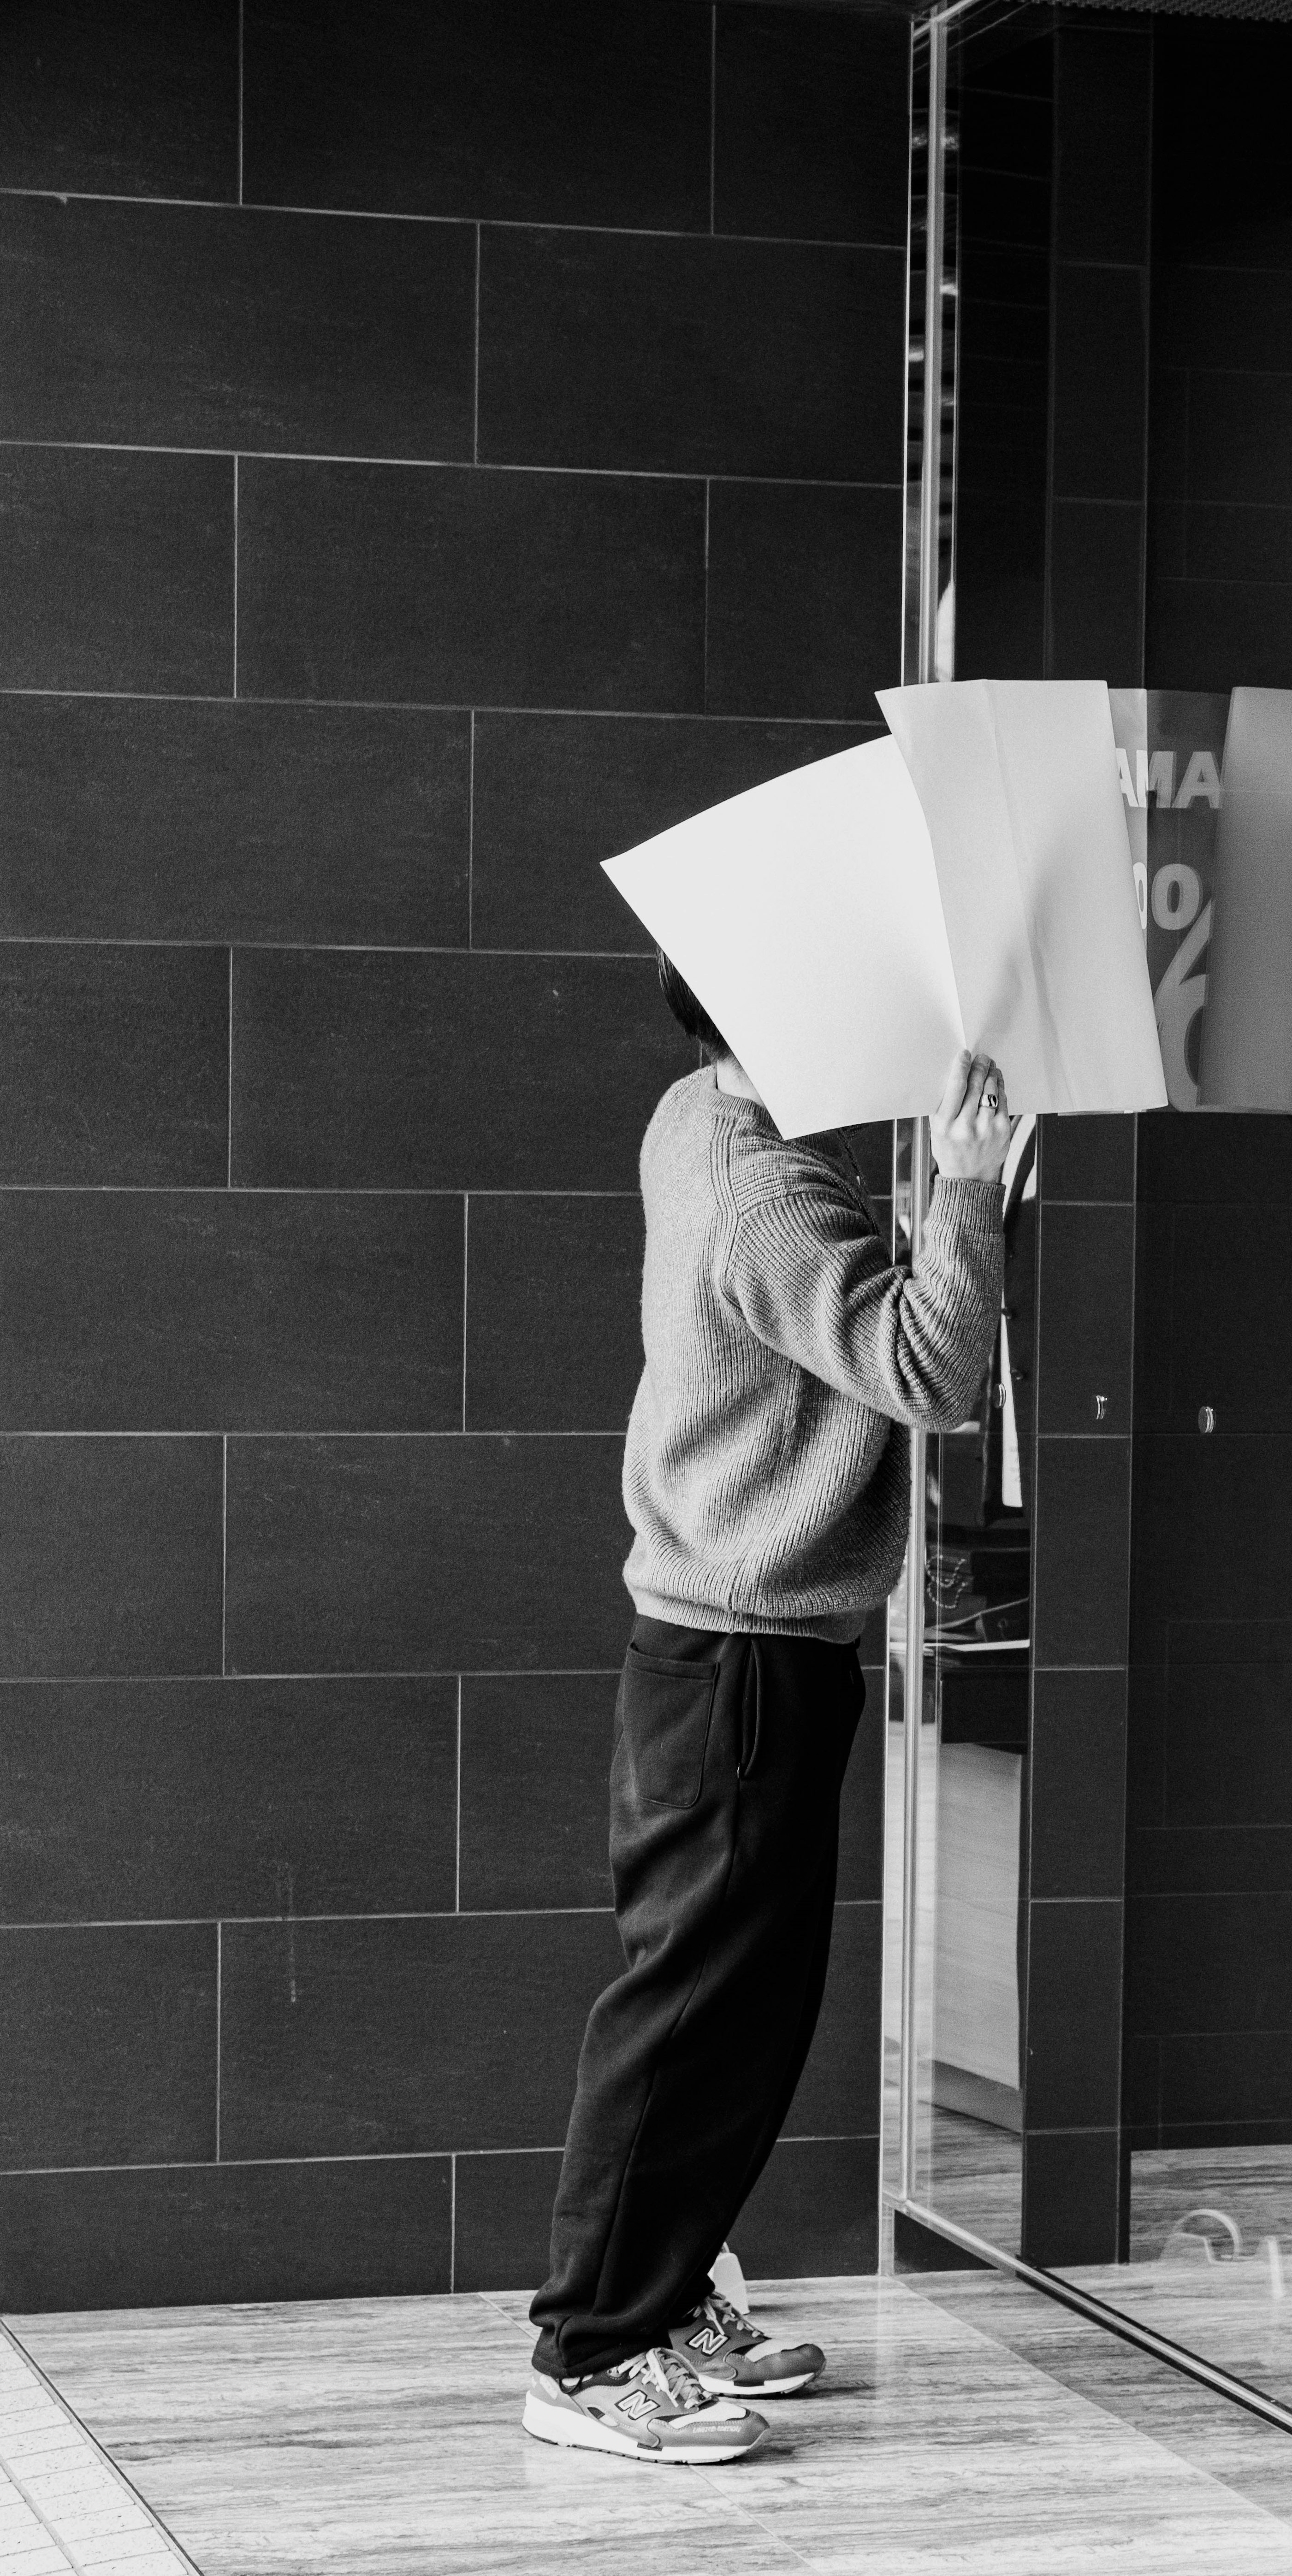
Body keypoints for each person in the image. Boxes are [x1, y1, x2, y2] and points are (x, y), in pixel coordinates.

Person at [522, 954, 1010, 2465]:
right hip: (737, 1655)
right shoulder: (766, 1196)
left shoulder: (704, 1119)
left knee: (745, 2011)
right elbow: (931, 1371)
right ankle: (592, 2351)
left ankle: (663, 2300)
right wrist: (968, 1191)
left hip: (747, 1646)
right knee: (688, 2014)